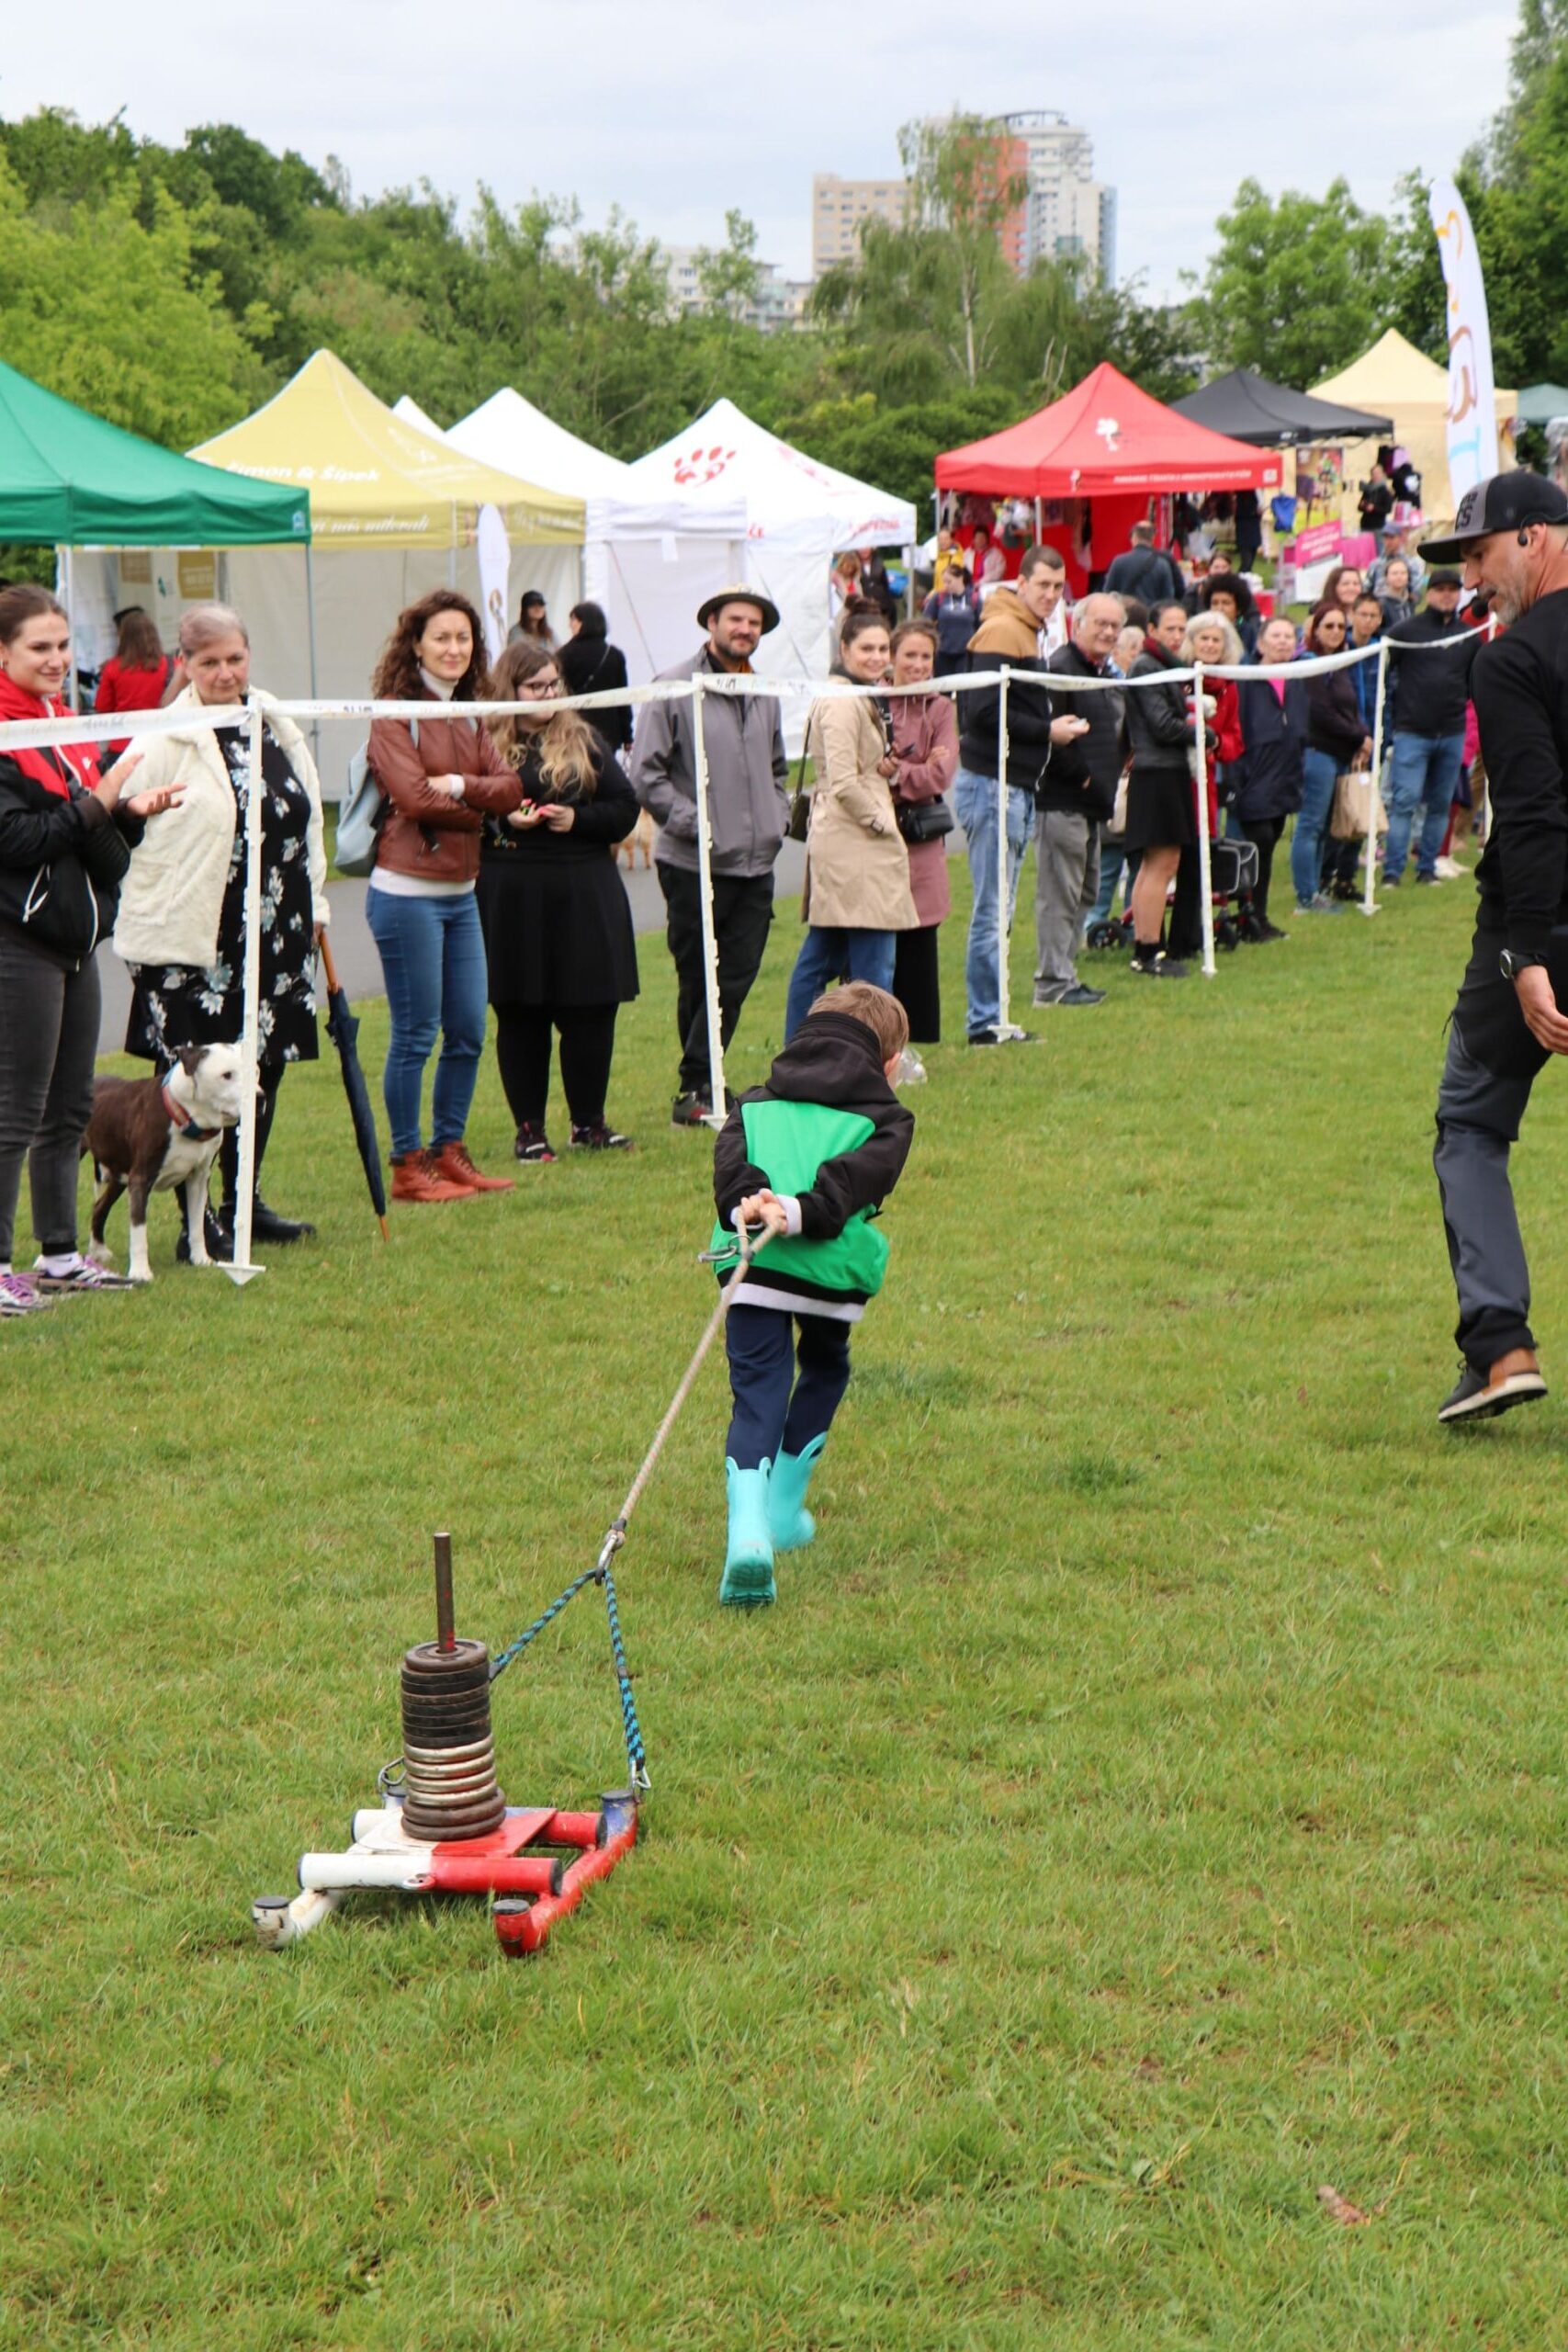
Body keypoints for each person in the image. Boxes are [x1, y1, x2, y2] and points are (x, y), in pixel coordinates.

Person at [115, 603, 331, 1255]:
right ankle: (196, 1223)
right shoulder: (165, 735)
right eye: (209, 662)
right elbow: (122, 818)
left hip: (278, 931)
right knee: (195, 1080)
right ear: (184, 664)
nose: (225, 673)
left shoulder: (273, 720)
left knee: (259, 1072)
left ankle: (244, 1202)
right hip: (195, 939)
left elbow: (309, 821)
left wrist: (317, 905)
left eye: (235, 658)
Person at [1421, 472, 1568, 1420]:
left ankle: (1503, 1348)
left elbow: (1533, 812)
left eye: (1478, 554)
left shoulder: (1511, 660)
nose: (1472, 579)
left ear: (1533, 536)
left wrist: (1528, 953)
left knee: (1470, 1125)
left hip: (1537, 927)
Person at [0, 585, 179, 1309]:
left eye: (64, 645)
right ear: (3, 652)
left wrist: (127, 813)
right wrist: (97, 805)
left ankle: (60, 1255)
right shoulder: (7, 735)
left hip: (77, 940)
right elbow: (18, 839)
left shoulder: (64, 723)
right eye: (39, 647)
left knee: (69, 1107)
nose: (56, 659)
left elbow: (92, 838)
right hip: (18, 941)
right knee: (15, 1108)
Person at [708, 979, 915, 1606]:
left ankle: (751, 1533)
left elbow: (731, 1170)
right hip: (828, 1275)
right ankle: (781, 1511)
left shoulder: (751, 1102)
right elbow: (852, 1184)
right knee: (825, 1367)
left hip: (753, 1268)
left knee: (757, 1397)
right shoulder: (888, 1120)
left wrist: (753, 1202)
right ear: (889, 1065)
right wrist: (797, 1210)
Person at [366, 591, 519, 1203]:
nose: (454, 649)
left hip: (461, 894)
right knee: (416, 1033)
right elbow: (411, 798)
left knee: (468, 1030)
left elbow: (510, 788)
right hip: (405, 894)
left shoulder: (469, 714)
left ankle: (447, 1150)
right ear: (416, 645)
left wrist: (456, 783)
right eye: (442, 638)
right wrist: (480, 814)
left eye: (464, 638)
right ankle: (408, 1164)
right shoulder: (391, 714)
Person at [631, 587, 789, 1124]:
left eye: (754, 623)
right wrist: (697, 824)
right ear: (712, 623)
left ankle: (702, 1082)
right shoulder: (675, 686)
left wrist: (777, 818)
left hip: (757, 863)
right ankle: (699, 1084)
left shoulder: (764, 690)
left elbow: (778, 768)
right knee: (700, 975)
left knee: (737, 977)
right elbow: (646, 774)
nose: (745, 629)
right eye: (736, 620)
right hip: (691, 862)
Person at [479, 638, 639, 1159]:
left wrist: (578, 819)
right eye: (536, 686)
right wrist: (504, 817)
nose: (549, 695)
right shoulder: (483, 741)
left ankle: (589, 1123)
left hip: (584, 890)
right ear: (510, 689)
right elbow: (464, 812)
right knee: (520, 1012)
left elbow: (626, 806)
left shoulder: (584, 738)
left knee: (591, 1008)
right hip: (513, 893)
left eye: (554, 684)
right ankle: (530, 1131)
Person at [954, 547, 1090, 1043]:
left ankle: (992, 1018)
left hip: (1011, 784)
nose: (1051, 596)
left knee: (1001, 908)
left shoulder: (1024, 627)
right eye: (1043, 586)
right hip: (993, 784)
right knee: (993, 910)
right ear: (1021, 582)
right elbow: (979, 712)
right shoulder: (1003, 629)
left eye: (1058, 587)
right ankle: (985, 1023)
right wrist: (1047, 730)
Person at [784, 610, 916, 1036]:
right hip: (855, 843)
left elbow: (849, 769)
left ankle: (804, 1051)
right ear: (844, 649)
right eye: (866, 648)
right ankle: (869, 1056)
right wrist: (883, 826)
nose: (877, 657)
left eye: (883, 648)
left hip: (848, 838)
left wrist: (881, 768)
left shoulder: (852, 693)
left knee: (822, 957)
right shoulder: (842, 699)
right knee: (873, 968)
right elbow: (842, 782)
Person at [1033, 594, 1124, 1008]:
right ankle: (1051, 984)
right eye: (1100, 623)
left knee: (1085, 893)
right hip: (1063, 801)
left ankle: (1065, 976)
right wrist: (1086, 778)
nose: (1108, 631)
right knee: (1060, 895)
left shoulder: (1101, 672)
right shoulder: (1061, 669)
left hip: (1091, 804)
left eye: (1115, 625)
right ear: (1077, 623)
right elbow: (1052, 738)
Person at [1382, 571, 1479, 888]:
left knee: (1440, 803)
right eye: (1440, 589)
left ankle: (1427, 868)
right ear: (1429, 593)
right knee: (1405, 801)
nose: (1447, 595)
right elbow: (1386, 671)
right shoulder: (1405, 631)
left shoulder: (1469, 636)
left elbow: (1473, 681)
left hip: (1452, 732)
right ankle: (1392, 871)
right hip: (1412, 731)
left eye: (1453, 589)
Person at [886, 620, 958, 1047]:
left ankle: (915, 1045)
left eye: (925, 656)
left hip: (922, 840)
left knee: (919, 938)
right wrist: (919, 767)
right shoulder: (872, 700)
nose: (918, 664)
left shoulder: (941, 708)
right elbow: (866, 768)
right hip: (876, 837)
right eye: (909, 655)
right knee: (875, 938)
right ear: (892, 657)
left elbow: (941, 775)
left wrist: (897, 770)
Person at [1123, 599, 1201, 977]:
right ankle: (1150, 950)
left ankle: (1146, 947)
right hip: (1157, 773)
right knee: (1162, 864)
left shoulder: (1165, 666)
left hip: (1162, 771)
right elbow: (1162, 725)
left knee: (1155, 865)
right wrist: (1202, 732)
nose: (1177, 635)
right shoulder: (1147, 666)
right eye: (1170, 628)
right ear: (1151, 630)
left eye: (1181, 629)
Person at [1166, 611, 1245, 963]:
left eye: (1217, 640)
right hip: (1172, 776)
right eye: (1204, 639)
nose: (1210, 645)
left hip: (1206, 780)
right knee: (1164, 858)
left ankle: (1188, 937)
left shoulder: (1228, 686)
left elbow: (1234, 739)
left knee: (1198, 862)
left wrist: (1214, 744)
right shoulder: (1177, 677)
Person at [1230, 615, 1308, 940]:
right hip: (1254, 778)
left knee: (1268, 846)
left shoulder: (1297, 679)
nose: (1282, 642)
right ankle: (1246, 914)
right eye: (1276, 636)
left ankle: (1258, 915)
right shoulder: (1245, 679)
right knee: (1256, 844)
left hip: (1285, 777)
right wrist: (1238, 780)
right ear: (1260, 643)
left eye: (1289, 636)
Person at [1292, 601, 1370, 916]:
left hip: (1340, 753)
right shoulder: (1308, 663)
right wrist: (1359, 736)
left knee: (1324, 827)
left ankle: (1317, 889)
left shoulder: (1339, 663)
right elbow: (1320, 712)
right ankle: (1306, 896)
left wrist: (1362, 735)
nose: (1336, 632)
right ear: (1315, 630)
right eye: (1329, 626)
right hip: (1318, 752)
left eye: (1341, 626)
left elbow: (1351, 708)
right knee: (1310, 825)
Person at [1320, 593, 1386, 899]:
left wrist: (1381, 736)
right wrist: (1357, 737)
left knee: (1362, 808)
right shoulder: (1340, 649)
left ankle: (1346, 878)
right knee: (1337, 810)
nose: (1368, 621)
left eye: (1374, 616)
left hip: (1373, 738)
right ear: (1353, 616)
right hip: (1345, 739)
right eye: (1363, 614)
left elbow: (1388, 694)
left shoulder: (1381, 649)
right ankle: (1325, 874)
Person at [557, 602, 633, 756]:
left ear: (584, 622)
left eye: (573, 620)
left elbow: (558, 693)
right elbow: (623, 698)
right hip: (609, 733)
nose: (570, 625)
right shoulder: (614, 654)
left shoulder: (564, 655)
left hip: (575, 728)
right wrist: (627, 735)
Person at [94, 607, 173, 755]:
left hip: (122, 744)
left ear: (123, 637)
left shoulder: (112, 667)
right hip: (159, 742)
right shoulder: (169, 664)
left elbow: (102, 707)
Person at [1105, 519, 1183, 607]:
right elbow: (1169, 598)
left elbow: (1108, 594)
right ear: (1153, 537)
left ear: (1134, 537)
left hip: (1125, 611)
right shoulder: (1163, 564)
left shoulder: (1118, 562)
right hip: (1152, 613)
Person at [922, 569, 983, 681]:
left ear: (960, 578)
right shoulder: (938, 597)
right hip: (943, 652)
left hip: (965, 652)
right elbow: (926, 621)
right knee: (942, 687)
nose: (946, 585)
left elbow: (981, 625)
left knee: (963, 687)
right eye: (944, 582)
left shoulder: (974, 598)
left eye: (949, 581)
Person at [1370, 524, 1427, 605]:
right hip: (1378, 605)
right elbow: (1367, 587)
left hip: (1401, 604)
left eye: (1392, 537)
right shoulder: (1376, 564)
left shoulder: (1411, 563)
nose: (1388, 541)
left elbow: (1417, 590)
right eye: (1386, 538)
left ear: (1400, 538)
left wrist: (1409, 600)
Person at [1359, 462, 1393, 545]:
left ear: (1382, 474)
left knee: (1378, 548)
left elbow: (1388, 509)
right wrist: (1363, 506)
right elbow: (1359, 507)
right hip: (1365, 525)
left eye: (1377, 473)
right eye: (1373, 474)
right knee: (1365, 548)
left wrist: (1374, 508)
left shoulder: (1386, 491)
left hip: (1378, 526)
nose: (1375, 476)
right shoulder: (1368, 489)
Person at [1376, 556, 1416, 630]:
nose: (1399, 576)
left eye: (1403, 573)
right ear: (1386, 577)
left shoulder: (1410, 601)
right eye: (1394, 573)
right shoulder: (1380, 603)